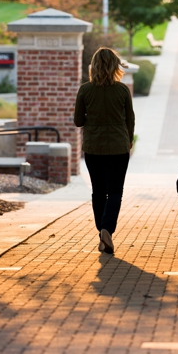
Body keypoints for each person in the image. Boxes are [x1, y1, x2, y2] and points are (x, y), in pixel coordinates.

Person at [74, 47, 135, 254]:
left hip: (94, 147)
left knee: (98, 191)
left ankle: (102, 230)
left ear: (95, 66)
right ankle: (107, 229)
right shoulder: (123, 90)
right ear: (115, 66)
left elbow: (78, 121)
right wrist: (128, 141)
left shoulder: (85, 90)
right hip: (119, 147)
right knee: (115, 192)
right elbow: (130, 120)